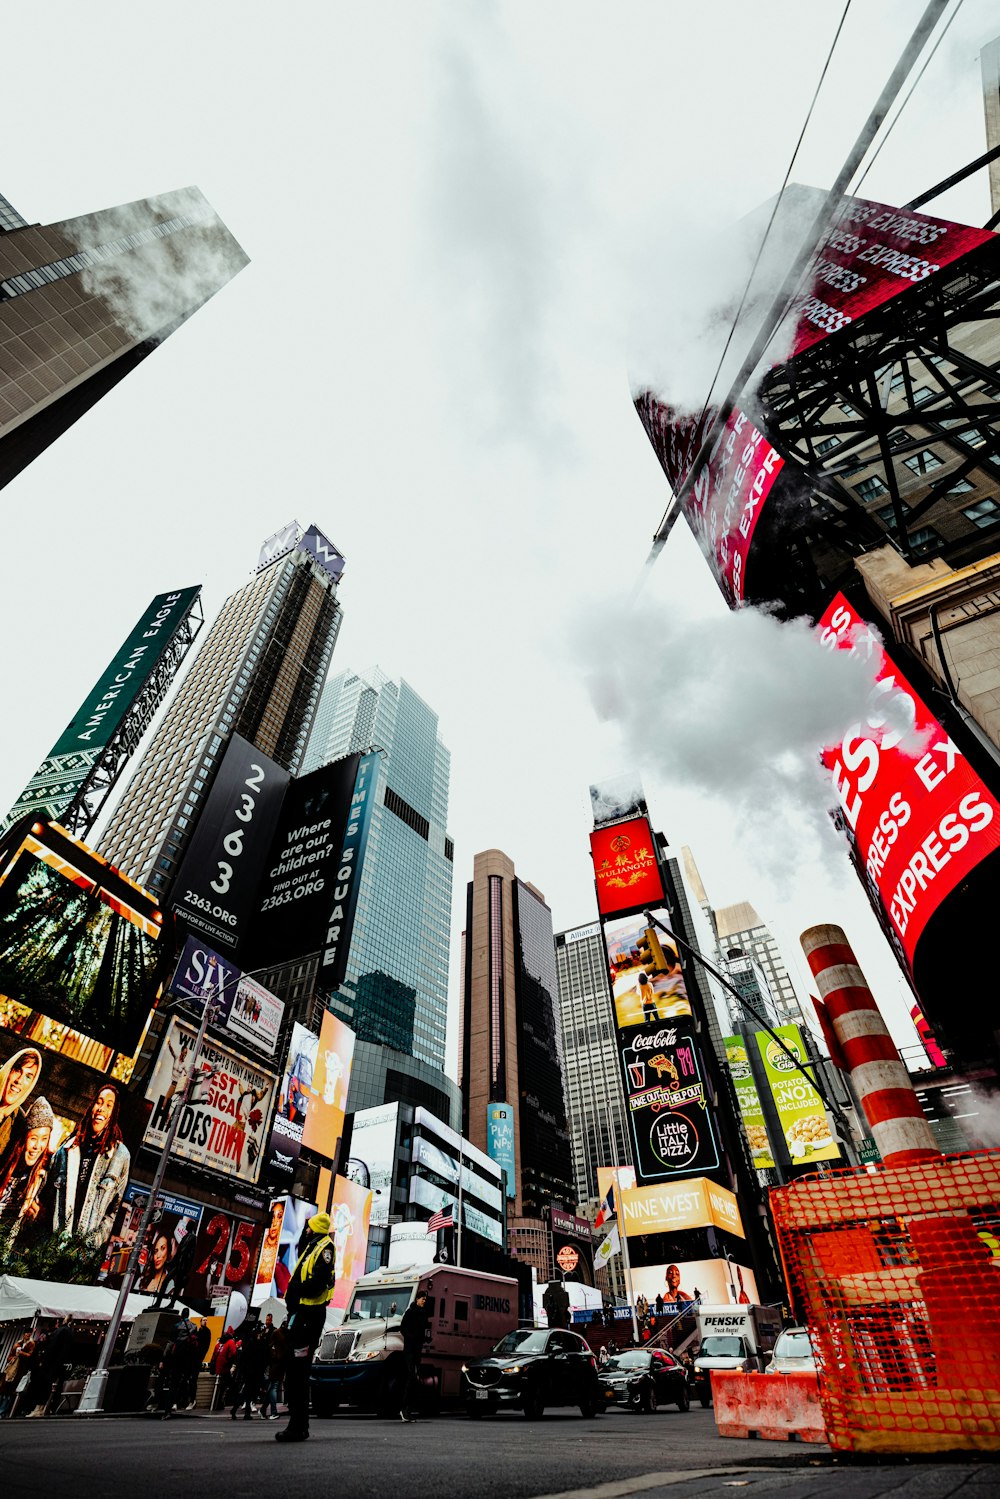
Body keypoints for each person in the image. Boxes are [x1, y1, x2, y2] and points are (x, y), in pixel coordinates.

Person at [275, 1210, 336, 1442]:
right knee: (294, 1369)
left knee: (299, 1371)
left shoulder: (325, 1248)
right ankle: (297, 1424)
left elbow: (317, 1283)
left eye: (308, 1226)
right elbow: (301, 1249)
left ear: (316, 1229)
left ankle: (298, 1426)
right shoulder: (312, 1246)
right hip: (301, 1314)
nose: (306, 1229)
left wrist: (297, 1293)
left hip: (309, 1315)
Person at [49, 1082, 130, 1245]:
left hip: (85, 1254)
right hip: (55, 1245)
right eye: (99, 1102)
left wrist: (93, 1242)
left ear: (113, 1114)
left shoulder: (120, 1156)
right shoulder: (66, 1150)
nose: (101, 1109)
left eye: (108, 1105)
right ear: (92, 1107)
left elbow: (114, 1211)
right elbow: (48, 1195)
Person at [0, 1094, 54, 1240]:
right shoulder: (4, 1160)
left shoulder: (43, 1178)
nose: (37, 1146)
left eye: (44, 1139)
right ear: (25, 1138)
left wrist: (35, 1218)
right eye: (33, 1138)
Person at [0, 1048, 42, 1161]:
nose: (19, 1080)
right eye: (17, 1070)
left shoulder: (19, 1123)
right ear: (8, 1070)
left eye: (28, 1077)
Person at [398, 1288, 430, 1423]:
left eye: (425, 1300)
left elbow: (423, 1330)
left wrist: (425, 1339)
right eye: (422, 1299)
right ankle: (404, 1409)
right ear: (417, 1299)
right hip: (410, 1350)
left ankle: (408, 1411)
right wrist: (411, 1338)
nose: (424, 1302)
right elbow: (402, 1328)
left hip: (417, 1350)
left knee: (414, 1380)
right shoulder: (410, 1312)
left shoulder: (423, 1314)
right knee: (411, 1377)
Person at [231, 1321, 269, 1421]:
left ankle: (236, 1409)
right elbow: (261, 1358)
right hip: (252, 1371)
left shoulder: (252, 1342)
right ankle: (244, 1411)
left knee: (247, 1391)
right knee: (249, 1391)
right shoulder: (256, 1343)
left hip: (251, 1371)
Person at [262, 1318, 287, 1420]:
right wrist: (275, 1356)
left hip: (279, 1363)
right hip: (277, 1363)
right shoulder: (278, 1333)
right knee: (274, 1386)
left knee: (272, 1387)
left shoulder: (284, 1333)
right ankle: (273, 1411)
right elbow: (270, 1346)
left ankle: (264, 1409)